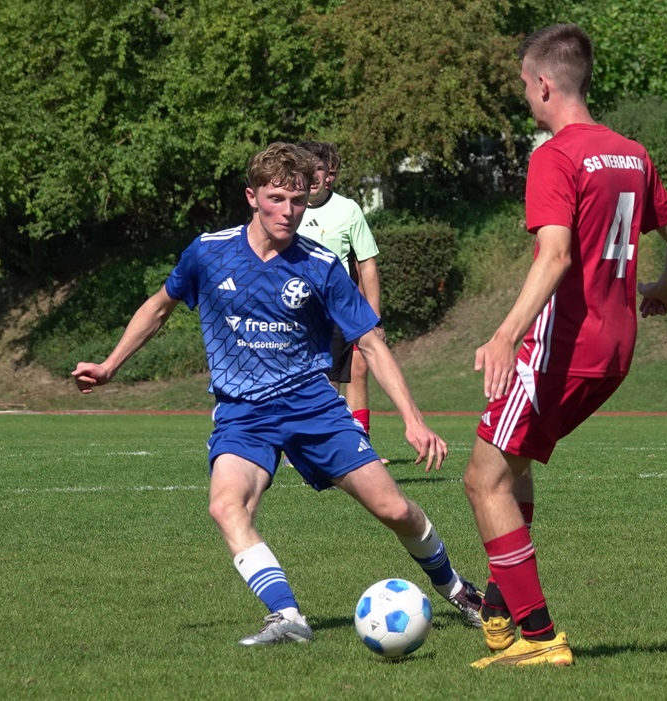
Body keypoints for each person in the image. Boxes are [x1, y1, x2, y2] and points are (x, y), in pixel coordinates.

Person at [71, 142, 482, 646]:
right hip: (243, 413)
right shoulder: (209, 252)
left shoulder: (320, 265)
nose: (288, 211)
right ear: (252, 197)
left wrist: (413, 419)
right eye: (276, 199)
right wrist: (110, 365)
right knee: (226, 506)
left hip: (312, 406)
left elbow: (371, 343)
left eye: (298, 201)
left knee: (395, 510)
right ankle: (287, 616)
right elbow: (159, 306)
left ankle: (458, 590)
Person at [463, 24, 667, 668]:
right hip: (615, 349)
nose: (524, 96)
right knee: (514, 467)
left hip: (560, 346)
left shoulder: (555, 156)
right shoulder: (631, 154)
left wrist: (505, 335)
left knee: (483, 480)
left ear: (544, 84)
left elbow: (557, 254)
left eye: (523, 85)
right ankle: (499, 611)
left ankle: (539, 638)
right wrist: (665, 291)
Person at [297, 140, 388, 463]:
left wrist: (373, 318)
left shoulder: (348, 210)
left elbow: (367, 264)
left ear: (328, 175)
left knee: (342, 375)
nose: (315, 176)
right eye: (309, 169)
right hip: (292, 312)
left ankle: (355, 445)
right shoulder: (286, 208)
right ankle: (300, 445)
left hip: (336, 309)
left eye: (321, 169)